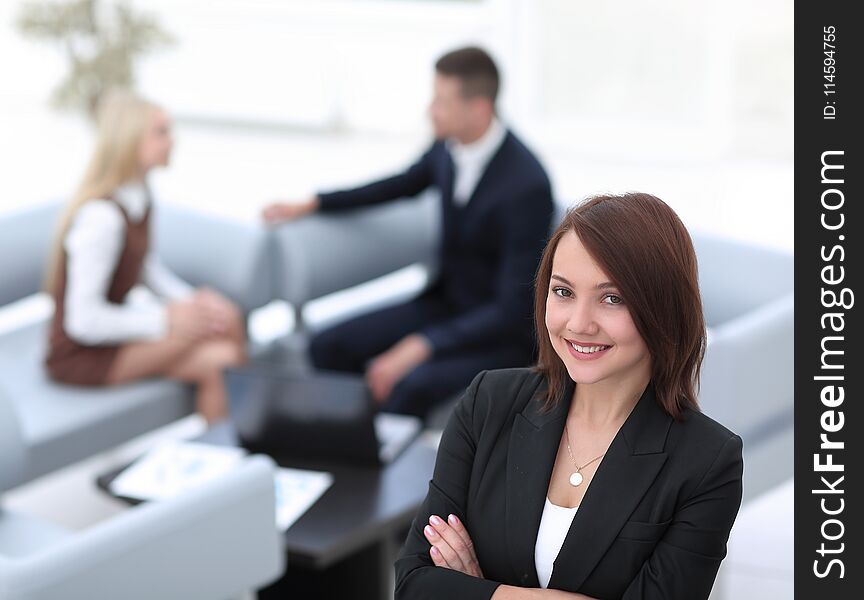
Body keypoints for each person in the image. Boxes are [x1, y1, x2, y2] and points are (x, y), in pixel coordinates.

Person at [395, 193, 744, 599]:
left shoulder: (706, 461)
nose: (579, 324)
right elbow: (414, 584)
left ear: (663, 308)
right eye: (563, 292)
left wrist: (480, 590)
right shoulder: (488, 402)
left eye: (612, 299)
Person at [262, 46, 554, 419]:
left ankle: (388, 467)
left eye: (440, 102)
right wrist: (315, 202)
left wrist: (422, 345)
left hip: (498, 332)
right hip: (444, 305)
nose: (430, 111)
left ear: (478, 108)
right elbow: (396, 185)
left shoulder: (526, 184)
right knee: (328, 346)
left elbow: (512, 308)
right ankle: (352, 445)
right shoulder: (446, 149)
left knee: (412, 384)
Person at [44, 90, 246, 423]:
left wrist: (193, 301)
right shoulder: (102, 218)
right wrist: (166, 321)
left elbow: (145, 267)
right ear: (130, 140)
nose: (172, 141)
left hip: (111, 336)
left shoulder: (139, 197)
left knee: (223, 347)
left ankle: (234, 454)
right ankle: (245, 441)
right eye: (161, 132)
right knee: (225, 330)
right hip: (83, 354)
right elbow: (82, 322)